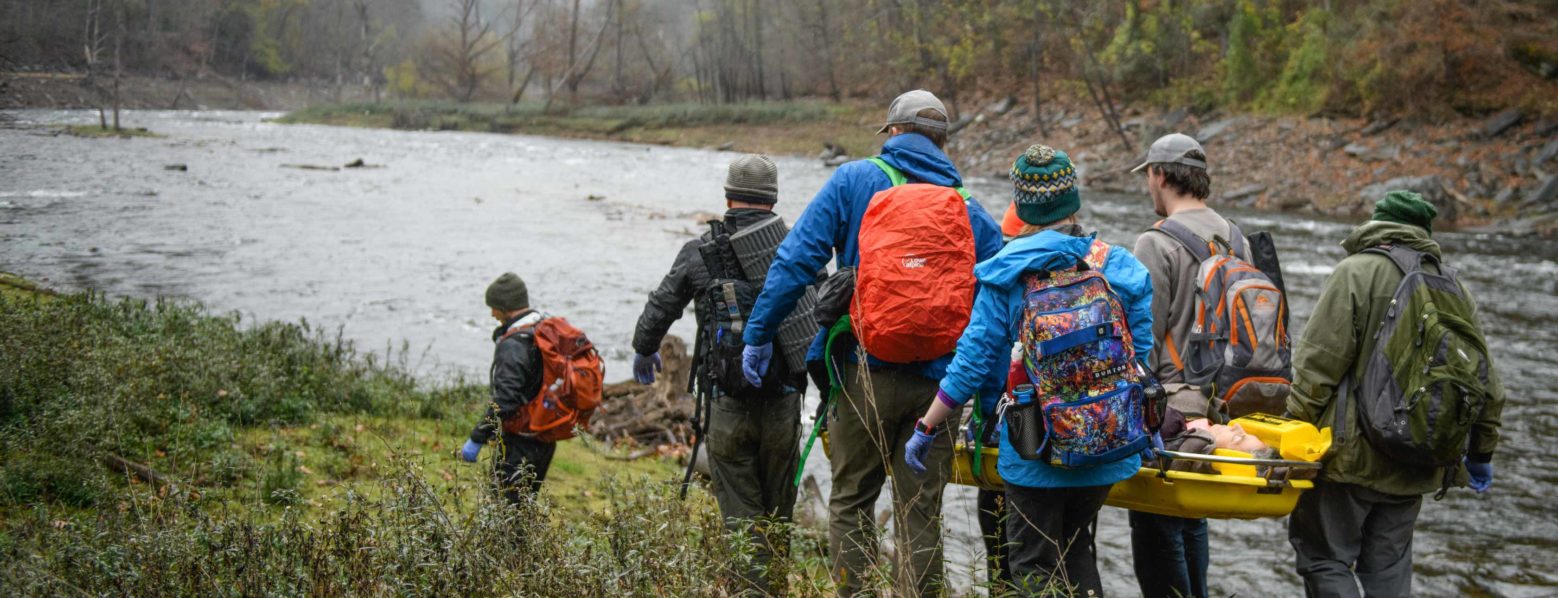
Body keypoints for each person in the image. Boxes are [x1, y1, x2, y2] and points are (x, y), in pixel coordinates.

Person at [738, 89, 1004, 596]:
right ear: (943, 142)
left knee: (852, 500)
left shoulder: (854, 180)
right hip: (940, 389)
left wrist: (759, 333)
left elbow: (796, 260)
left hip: (862, 372)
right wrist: (989, 402)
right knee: (919, 511)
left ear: (894, 133)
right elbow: (997, 315)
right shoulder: (969, 208)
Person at [905, 145, 1153, 595]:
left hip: (1034, 448)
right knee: (1075, 549)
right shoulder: (1120, 268)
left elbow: (972, 362)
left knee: (1033, 564)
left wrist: (927, 425)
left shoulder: (1006, 273)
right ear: (1073, 200)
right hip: (1107, 441)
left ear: (1020, 207)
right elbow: (1141, 354)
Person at [1286, 191, 1505, 597]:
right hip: (1419, 457)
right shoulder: (1454, 287)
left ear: (1377, 225)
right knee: (1388, 569)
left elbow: (1318, 366)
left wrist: (1290, 434)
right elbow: (1487, 384)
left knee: (1325, 558)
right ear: (1424, 233)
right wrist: (1481, 453)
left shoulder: (1356, 271)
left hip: (1351, 459)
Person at [629, 154, 805, 594]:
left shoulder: (700, 251)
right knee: (778, 515)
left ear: (728, 198)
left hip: (726, 405)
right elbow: (817, 318)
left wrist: (644, 348)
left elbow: (662, 305)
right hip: (783, 404)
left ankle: (751, 591)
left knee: (742, 520)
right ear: (773, 200)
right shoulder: (798, 246)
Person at [1126, 132, 1231, 598]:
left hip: (1170, 406)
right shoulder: (1234, 236)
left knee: (1157, 528)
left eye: (1148, 175)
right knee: (1191, 518)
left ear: (1161, 175)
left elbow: (1141, 337)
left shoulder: (1155, 242)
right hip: (1220, 404)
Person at [460, 272, 557, 506]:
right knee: (523, 506)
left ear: (505, 306)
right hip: (544, 437)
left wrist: (477, 437)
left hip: (520, 442)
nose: (492, 314)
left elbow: (505, 399)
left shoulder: (514, 344)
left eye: (494, 307)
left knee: (504, 510)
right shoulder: (542, 328)